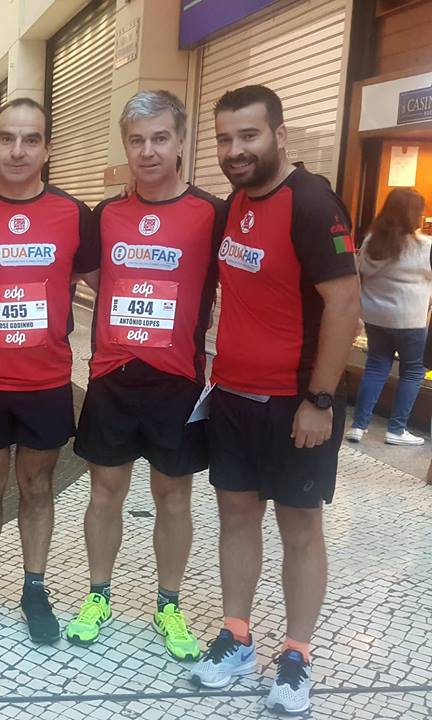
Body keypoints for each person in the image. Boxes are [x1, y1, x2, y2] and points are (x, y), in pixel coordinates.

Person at [188, 85, 360, 716]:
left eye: (249, 136)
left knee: (300, 527)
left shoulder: (312, 203)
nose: (235, 150)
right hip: (231, 397)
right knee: (235, 517)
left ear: (280, 135)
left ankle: (297, 652)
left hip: (295, 404)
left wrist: (319, 398)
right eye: (225, 138)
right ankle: (237, 635)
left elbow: (345, 305)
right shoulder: (235, 203)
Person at [65, 90, 225, 658]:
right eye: (137, 140)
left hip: (177, 379)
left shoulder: (212, 212)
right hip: (112, 374)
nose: (148, 151)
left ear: (181, 141)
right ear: (125, 145)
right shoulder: (104, 214)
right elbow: (88, 274)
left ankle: (169, 603)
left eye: (160, 138)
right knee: (104, 493)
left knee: (173, 497)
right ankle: (98, 594)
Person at [0, 98, 96, 645]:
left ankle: (35, 588)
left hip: (47, 382)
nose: (17, 150)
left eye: (30, 139)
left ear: (47, 148)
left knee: (37, 487)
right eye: (7, 138)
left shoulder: (73, 213)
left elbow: (110, 283)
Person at [345, 188, 432, 446]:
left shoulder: (372, 241)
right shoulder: (425, 245)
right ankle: (396, 429)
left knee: (376, 366)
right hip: (410, 319)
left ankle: (358, 427)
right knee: (413, 371)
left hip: (376, 316)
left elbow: (361, 273)